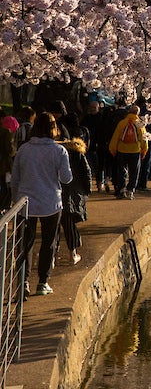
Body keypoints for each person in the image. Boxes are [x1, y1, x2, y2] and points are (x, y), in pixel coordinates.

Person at [10, 112, 72, 296]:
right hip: (50, 202)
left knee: (25, 244)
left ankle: (24, 282)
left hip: (25, 202)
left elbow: (15, 178)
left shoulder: (24, 149)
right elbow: (66, 178)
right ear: (54, 128)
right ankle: (43, 282)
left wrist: (15, 200)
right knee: (48, 243)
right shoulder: (59, 150)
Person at [58, 130, 92, 265]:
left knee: (54, 226)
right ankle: (72, 254)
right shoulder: (78, 154)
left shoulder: (57, 154)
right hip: (73, 191)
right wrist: (87, 190)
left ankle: (54, 256)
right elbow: (86, 172)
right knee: (69, 223)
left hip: (58, 191)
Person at [109, 106, 147, 200]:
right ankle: (130, 191)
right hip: (135, 150)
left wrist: (113, 149)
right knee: (134, 172)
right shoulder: (139, 124)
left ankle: (121, 190)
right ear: (137, 113)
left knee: (121, 171)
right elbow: (144, 139)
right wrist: (144, 150)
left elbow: (116, 137)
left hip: (122, 150)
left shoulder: (122, 123)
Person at [0, 116, 17, 209]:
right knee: (7, 188)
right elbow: (10, 150)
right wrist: (15, 151)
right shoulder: (8, 133)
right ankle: (4, 206)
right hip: (5, 165)